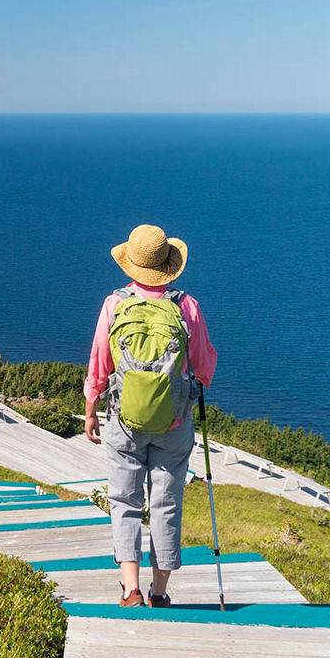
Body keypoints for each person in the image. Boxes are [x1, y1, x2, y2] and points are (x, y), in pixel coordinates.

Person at [84, 223, 217, 608]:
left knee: (124, 500)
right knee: (166, 502)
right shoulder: (186, 306)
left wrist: (91, 411)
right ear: (168, 265)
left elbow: (99, 365)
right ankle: (160, 592)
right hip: (174, 422)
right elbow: (204, 366)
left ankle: (131, 589)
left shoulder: (114, 305)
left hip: (123, 419)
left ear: (131, 265)